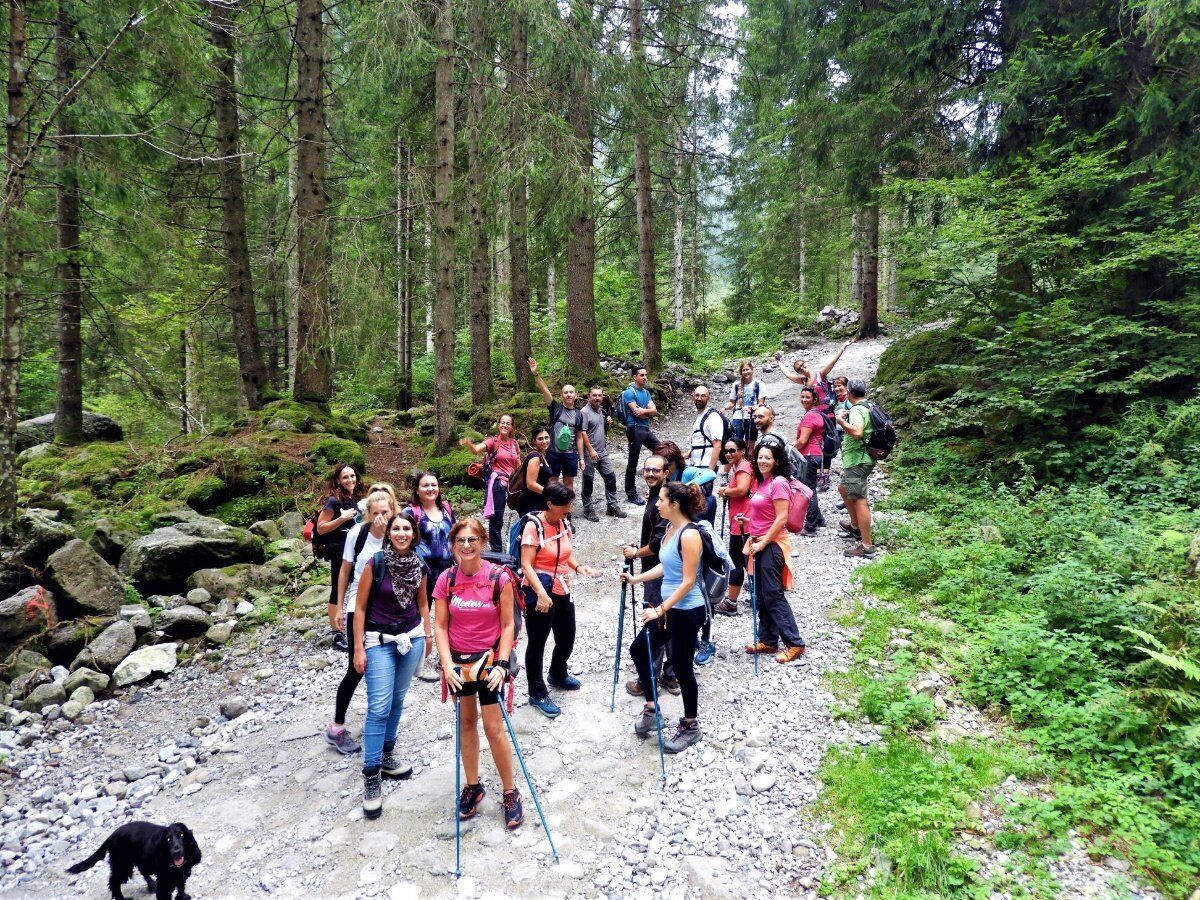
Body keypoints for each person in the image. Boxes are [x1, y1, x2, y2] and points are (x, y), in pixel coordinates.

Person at [433, 519, 524, 829]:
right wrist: (446, 665)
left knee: (493, 727)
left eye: (472, 539)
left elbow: (508, 624)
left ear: (483, 542)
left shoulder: (499, 578)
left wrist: (501, 663)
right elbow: (441, 626)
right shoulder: (446, 580)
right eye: (460, 540)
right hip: (458, 663)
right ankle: (473, 786)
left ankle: (510, 791)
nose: (466, 545)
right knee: (467, 723)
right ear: (452, 544)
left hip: (489, 661)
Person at [353, 510, 431, 818]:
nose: (401, 533)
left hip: (411, 637)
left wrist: (428, 634)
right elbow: (359, 608)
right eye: (396, 528)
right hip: (378, 640)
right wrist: (358, 648)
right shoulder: (376, 564)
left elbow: (423, 602)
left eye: (406, 529)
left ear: (414, 534)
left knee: (397, 700)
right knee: (378, 707)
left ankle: (386, 755)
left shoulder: (420, 565)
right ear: (389, 534)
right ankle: (371, 775)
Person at [621, 481, 709, 754]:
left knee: (682, 667)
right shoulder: (671, 529)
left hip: (686, 610)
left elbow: (688, 581)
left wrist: (660, 609)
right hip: (669, 607)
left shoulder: (690, 535)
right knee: (639, 649)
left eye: (661, 499)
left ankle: (691, 725)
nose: (656, 503)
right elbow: (665, 564)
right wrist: (637, 579)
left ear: (675, 504)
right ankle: (651, 707)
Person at [326, 489, 397, 755]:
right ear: (368, 514)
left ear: (393, 511)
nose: (380, 517)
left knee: (387, 662)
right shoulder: (358, 533)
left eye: (385, 512)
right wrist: (339, 607)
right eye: (375, 513)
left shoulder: (398, 533)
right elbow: (345, 569)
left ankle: (379, 722)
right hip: (359, 603)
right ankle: (336, 727)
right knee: (356, 667)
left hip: (387, 606)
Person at [519, 484, 598, 717]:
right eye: (565, 504)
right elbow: (526, 564)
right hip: (540, 589)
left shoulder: (562, 522)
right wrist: (542, 595)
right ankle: (536, 691)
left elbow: (566, 552)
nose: (569, 508)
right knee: (538, 642)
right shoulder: (534, 527)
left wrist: (578, 566)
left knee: (567, 635)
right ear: (550, 504)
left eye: (571, 504)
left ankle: (557, 672)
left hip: (562, 587)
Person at [740, 441, 806, 664]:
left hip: (773, 545)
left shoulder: (778, 482)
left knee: (773, 595)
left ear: (777, 461)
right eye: (759, 457)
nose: (762, 461)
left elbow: (782, 519)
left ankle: (795, 643)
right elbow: (767, 516)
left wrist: (762, 543)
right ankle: (768, 639)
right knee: (761, 594)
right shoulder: (764, 482)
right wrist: (748, 521)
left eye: (767, 457)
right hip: (760, 542)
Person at [621, 455, 679, 696]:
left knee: (655, 623)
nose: (650, 474)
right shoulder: (664, 497)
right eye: (647, 470)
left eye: (656, 470)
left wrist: (636, 553)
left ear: (666, 472)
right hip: (667, 568)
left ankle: (650, 679)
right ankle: (671, 675)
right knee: (669, 621)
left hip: (658, 570)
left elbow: (656, 544)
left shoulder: (661, 501)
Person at [409, 473, 455, 681]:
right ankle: (420, 661)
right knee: (422, 616)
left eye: (433, 485)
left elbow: (453, 536)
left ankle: (447, 655)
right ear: (417, 489)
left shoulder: (445, 508)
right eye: (425, 485)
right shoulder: (411, 512)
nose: (430, 489)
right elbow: (401, 539)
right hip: (422, 573)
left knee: (450, 614)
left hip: (447, 571)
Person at [461, 416, 522, 552]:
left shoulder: (514, 444)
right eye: (503, 423)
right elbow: (476, 450)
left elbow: (518, 465)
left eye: (508, 423)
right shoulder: (492, 442)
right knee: (497, 519)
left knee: (523, 512)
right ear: (498, 425)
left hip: (512, 483)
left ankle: (520, 546)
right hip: (498, 484)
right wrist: (468, 443)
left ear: (512, 427)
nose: (505, 425)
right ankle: (496, 550)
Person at [529, 358, 585, 494]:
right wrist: (536, 374)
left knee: (568, 483)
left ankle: (567, 511)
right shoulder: (556, 408)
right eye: (566, 392)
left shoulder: (579, 414)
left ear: (576, 395)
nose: (569, 395)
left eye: (571, 392)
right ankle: (552, 509)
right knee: (552, 482)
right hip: (553, 454)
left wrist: (581, 458)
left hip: (570, 455)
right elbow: (544, 389)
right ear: (561, 395)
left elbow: (579, 437)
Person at [836, 379, 877, 559]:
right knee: (843, 489)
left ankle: (866, 544)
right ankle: (855, 526)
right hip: (861, 458)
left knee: (860, 500)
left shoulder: (857, 410)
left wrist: (841, 421)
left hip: (858, 460)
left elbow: (858, 432)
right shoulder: (868, 406)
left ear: (850, 393)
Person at [317, 463, 366, 609]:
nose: (350, 480)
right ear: (338, 480)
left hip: (358, 547)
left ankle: (358, 620)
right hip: (340, 549)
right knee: (338, 589)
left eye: (352, 476)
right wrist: (342, 519)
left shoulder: (359, 498)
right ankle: (336, 630)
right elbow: (320, 528)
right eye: (345, 477)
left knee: (359, 585)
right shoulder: (333, 501)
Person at [714, 439, 753, 616]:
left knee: (737, 563)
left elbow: (742, 490)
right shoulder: (740, 466)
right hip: (742, 521)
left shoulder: (743, 467)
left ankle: (731, 602)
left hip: (742, 523)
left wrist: (725, 491)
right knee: (746, 562)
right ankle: (756, 595)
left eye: (732, 450)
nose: (728, 454)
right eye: (726, 451)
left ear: (742, 450)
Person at [579, 386, 628, 523]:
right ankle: (588, 508)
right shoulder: (584, 412)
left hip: (602, 451)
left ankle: (612, 506)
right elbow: (582, 433)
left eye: (599, 395)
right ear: (589, 396)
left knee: (610, 476)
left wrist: (608, 422)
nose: (597, 398)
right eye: (594, 395)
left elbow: (599, 428)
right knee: (588, 480)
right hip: (590, 453)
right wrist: (590, 450)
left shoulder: (601, 410)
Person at [620, 365, 661, 505]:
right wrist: (647, 412)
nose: (645, 377)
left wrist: (645, 413)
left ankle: (661, 484)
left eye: (645, 375)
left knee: (661, 450)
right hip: (634, 429)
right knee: (633, 460)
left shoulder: (646, 393)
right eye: (642, 375)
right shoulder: (629, 393)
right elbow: (635, 411)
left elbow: (654, 411)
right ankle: (631, 493)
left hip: (645, 428)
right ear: (635, 377)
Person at [686, 385, 723, 525]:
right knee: (695, 501)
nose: (699, 398)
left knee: (701, 503)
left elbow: (717, 445)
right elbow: (701, 442)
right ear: (692, 396)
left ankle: (703, 532)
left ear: (708, 397)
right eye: (697, 395)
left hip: (705, 468)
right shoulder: (700, 416)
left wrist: (710, 471)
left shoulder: (712, 417)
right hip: (697, 466)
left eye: (703, 395)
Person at [780, 337, 856, 404]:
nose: (801, 368)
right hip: (814, 411)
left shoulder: (820, 375)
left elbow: (833, 361)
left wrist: (843, 347)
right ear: (798, 372)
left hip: (827, 411)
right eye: (798, 369)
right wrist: (779, 362)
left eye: (802, 365)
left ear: (806, 363)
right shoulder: (804, 381)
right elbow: (788, 374)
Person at [793, 386, 827, 535]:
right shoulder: (816, 413)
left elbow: (802, 441)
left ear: (814, 399)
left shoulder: (810, 416)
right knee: (811, 487)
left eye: (807, 397)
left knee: (808, 490)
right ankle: (819, 519)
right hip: (816, 454)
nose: (804, 399)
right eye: (802, 397)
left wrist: (787, 448)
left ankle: (810, 526)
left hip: (808, 455)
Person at [723, 361, 765, 446]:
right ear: (741, 372)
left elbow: (761, 403)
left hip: (753, 417)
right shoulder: (736, 385)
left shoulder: (759, 384)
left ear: (752, 370)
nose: (746, 372)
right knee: (737, 445)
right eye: (743, 370)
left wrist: (752, 408)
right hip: (738, 417)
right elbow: (732, 402)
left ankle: (749, 459)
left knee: (750, 448)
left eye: (747, 369)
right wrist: (724, 408)